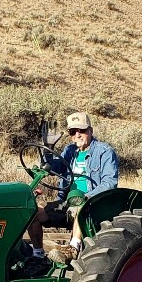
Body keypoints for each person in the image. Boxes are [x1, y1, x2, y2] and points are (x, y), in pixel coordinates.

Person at [27, 112, 119, 265]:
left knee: (81, 206)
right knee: (34, 212)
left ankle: (73, 249)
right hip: (67, 202)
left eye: (81, 131)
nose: (77, 135)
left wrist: (88, 196)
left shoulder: (104, 152)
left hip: (92, 204)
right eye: (72, 132)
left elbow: (110, 182)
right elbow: (52, 168)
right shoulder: (70, 151)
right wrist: (48, 148)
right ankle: (38, 255)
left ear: (90, 131)